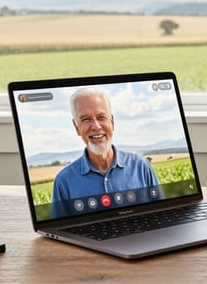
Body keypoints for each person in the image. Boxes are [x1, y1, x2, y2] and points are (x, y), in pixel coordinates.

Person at [51, 87, 161, 218]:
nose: (96, 126)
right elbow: (59, 231)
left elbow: (162, 214)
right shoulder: (64, 182)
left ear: (112, 122)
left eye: (101, 117)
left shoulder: (142, 167)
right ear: (76, 127)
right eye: (86, 119)